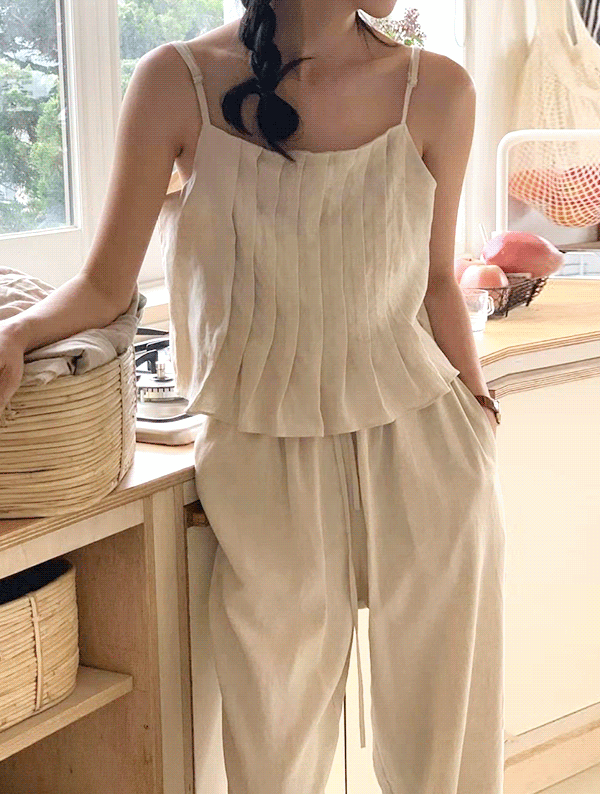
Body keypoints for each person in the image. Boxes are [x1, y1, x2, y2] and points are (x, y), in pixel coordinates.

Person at [0, 2, 506, 792]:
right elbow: (105, 284)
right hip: (261, 456)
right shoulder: (176, 82)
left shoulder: (438, 89)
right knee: (274, 737)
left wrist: (477, 408)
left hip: (428, 442)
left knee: (447, 735)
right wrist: (17, 331)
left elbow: (437, 281)